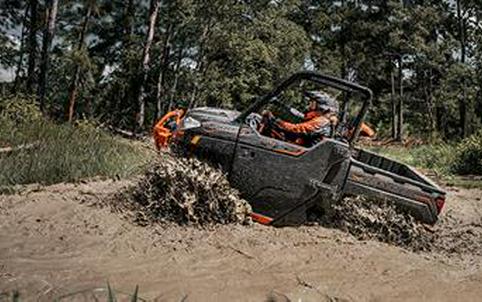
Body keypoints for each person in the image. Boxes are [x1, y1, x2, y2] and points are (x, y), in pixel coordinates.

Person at [262, 91, 339, 147]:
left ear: (320, 106)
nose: (309, 105)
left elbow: (297, 128)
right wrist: (278, 103)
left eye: (312, 102)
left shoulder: (321, 121)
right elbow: (298, 115)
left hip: (304, 153)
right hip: (303, 146)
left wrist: (276, 121)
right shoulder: (319, 118)